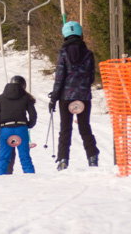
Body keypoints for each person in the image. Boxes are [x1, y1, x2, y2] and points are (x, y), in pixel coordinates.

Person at [50, 21, 99, 170]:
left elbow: (60, 77)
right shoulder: (88, 54)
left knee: (65, 129)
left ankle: (63, 160)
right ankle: (92, 157)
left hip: (66, 97)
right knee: (85, 128)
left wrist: (54, 98)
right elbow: (91, 77)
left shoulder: (63, 54)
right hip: (84, 96)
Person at [0, 75, 37, 175]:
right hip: (21, 128)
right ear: (23, 85)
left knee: (3, 158)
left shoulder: (2, 97)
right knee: (25, 157)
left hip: (5, 129)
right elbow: (33, 115)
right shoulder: (26, 97)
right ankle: (31, 179)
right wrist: (29, 125)